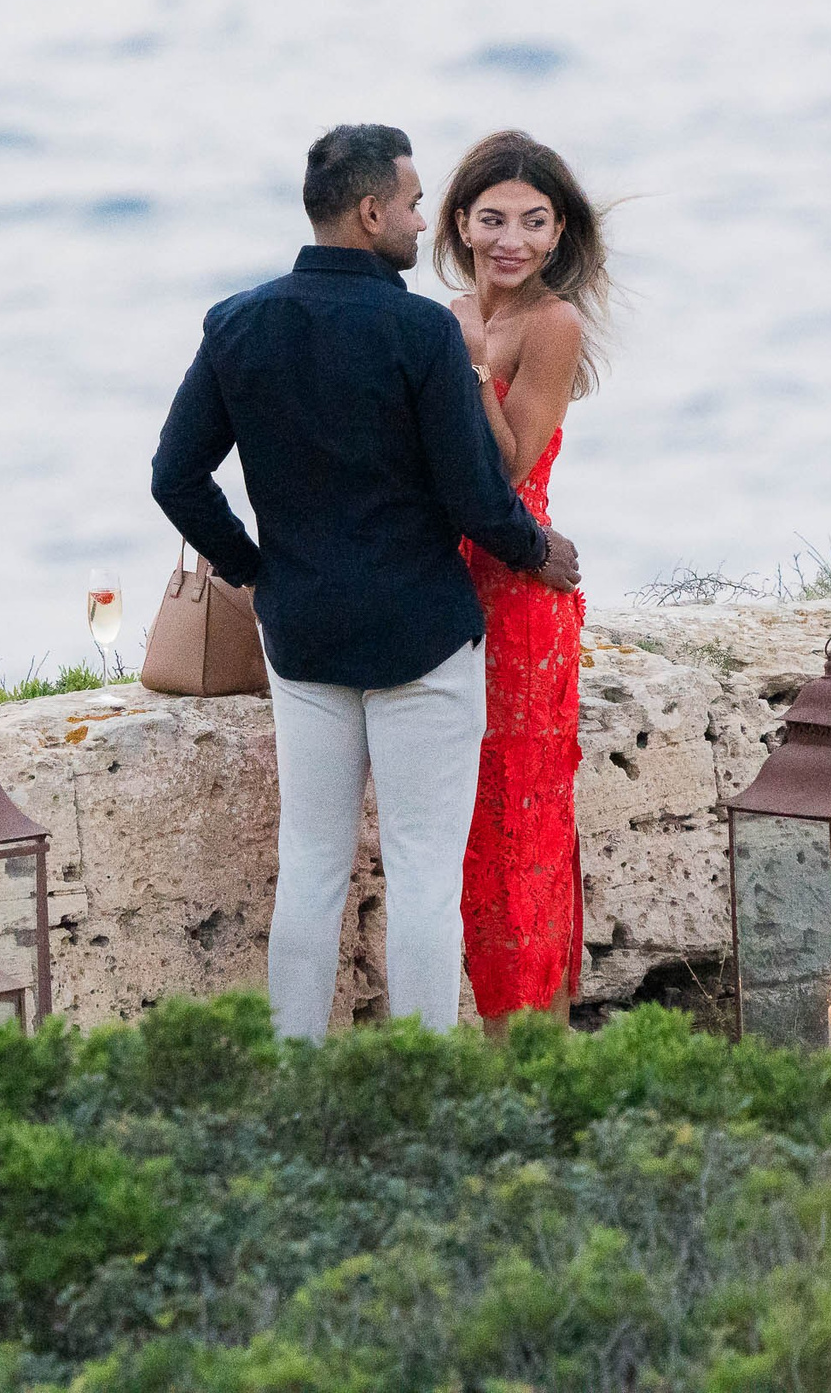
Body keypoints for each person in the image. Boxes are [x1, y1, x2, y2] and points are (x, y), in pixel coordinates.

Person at [151, 123, 582, 1040]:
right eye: (417, 203)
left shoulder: (237, 323)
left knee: (309, 867)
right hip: (421, 638)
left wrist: (255, 570)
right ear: (371, 210)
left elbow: (174, 477)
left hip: (301, 638)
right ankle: (425, 1085)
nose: (424, 220)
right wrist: (534, 550)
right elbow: (474, 495)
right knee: (425, 873)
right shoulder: (420, 329)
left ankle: (299, 1077)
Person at [436, 130, 610, 1037]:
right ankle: (504, 1034)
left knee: (525, 820)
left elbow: (505, 470)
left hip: (522, 601)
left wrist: (464, 367)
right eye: (494, 217)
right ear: (460, 221)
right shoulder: (452, 310)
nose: (513, 238)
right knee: (469, 822)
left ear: (557, 234)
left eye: (534, 222)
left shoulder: (552, 325)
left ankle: (531, 1039)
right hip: (447, 592)